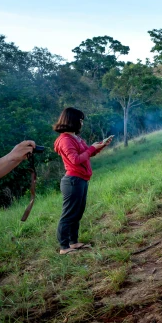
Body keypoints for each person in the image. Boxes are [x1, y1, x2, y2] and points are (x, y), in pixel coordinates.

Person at [53, 107, 112, 255]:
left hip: (81, 180)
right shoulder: (65, 140)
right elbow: (75, 159)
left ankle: (74, 242)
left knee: (77, 213)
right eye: (80, 120)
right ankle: (64, 247)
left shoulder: (75, 138)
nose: (82, 123)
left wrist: (100, 146)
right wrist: (92, 148)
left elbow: (87, 152)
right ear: (72, 120)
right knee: (69, 214)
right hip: (73, 181)